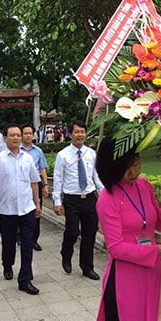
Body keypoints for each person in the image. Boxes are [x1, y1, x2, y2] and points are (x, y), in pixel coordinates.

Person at [89, 136, 161, 321]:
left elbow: (157, 221)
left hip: (154, 272)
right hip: (127, 277)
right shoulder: (107, 198)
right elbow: (115, 247)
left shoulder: (144, 185)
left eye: (136, 164)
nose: (133, 172)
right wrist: (159, 251)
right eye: (126, 168)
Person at [0, 123, 42, 295]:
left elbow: (34, 182)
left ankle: (25, 279)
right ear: (5, 138)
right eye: (13, 135)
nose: (17, 138)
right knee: (8, 243)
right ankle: (7, 264)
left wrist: (37, 203)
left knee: (27, 244)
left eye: (19, 135)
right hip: (7, 210)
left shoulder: (27, 158)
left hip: (27, 209)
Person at [52, 120, 104, 280]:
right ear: (70, 134)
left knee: (90, 234)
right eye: (77, 132)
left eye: (82, 132)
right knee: (73, 231)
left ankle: (87, 267)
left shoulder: (91, 153)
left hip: (89, 198)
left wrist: (103, 195)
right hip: (71, 199)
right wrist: (57, 201)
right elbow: (58, 178)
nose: (80, 135)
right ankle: (66, 253)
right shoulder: (63, 155)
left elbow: (96, 176)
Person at [20, 124, 49, 251]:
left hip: (36, 183)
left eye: (30, 133)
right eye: (25, 133)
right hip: (22, 183)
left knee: (37, 212)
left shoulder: (38, 151)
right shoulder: (17, 150)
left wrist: (46, 184)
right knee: (22, 212)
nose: (28, 136)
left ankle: (34, 240)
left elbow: (42, 168)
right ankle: (20, 236)